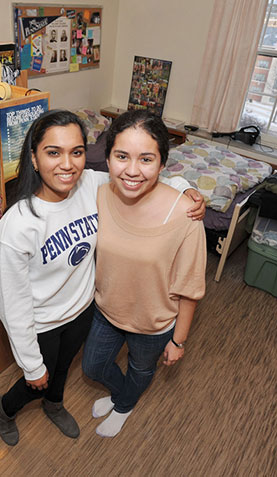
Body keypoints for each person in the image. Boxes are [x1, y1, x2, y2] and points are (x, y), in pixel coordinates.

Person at [0, 110, 204, 446]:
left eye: (76, 152)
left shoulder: (90, 184)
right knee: (38, 380)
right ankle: (5, 408)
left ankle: (55, 405)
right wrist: (31, 365)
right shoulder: (15, 228)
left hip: (84, 313)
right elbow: (12, 308)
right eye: (53, 152)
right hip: (43, 323)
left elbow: (140, 177)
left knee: (62, 372)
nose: (67, 164)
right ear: (33, 157)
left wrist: (185, 188)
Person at [82, 110, 207, 438]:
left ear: (163, 164)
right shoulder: (98, 195)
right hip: (106, 311)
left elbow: (190, 287)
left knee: (141, 369)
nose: (132, 171)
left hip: (153, 325)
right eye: (122, 156)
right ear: (108, 158)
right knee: (93, 366)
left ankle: (124, 405)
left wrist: (178, 340)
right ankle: (120, 394)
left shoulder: (185, 213)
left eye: (146, 159)